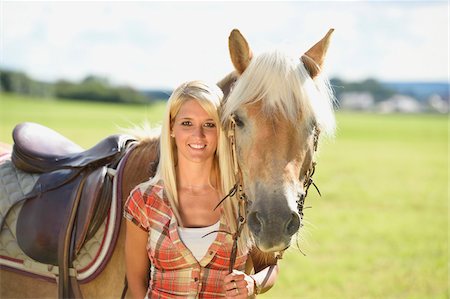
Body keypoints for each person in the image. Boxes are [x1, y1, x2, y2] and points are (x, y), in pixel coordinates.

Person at [124, 80, 279, 298]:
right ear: (171, 128)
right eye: (187, 123)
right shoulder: (144, 200)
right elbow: (135, 280)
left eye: (209, 124)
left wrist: (253, 283)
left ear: (222, 130)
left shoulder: (244, 200)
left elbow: (270, 268)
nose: (198, 135)